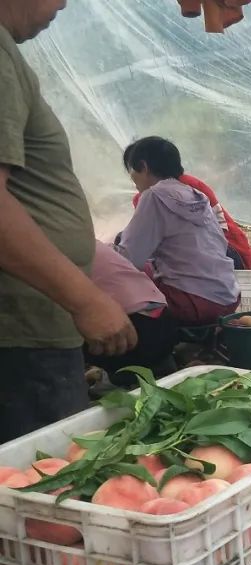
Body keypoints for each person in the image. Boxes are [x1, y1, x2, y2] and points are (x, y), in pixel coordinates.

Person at [0, 0, 137, 443]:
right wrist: (86, 301)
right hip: (23, 330)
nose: (63, 3)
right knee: (43, 486)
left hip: (30, 325)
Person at [117, 137, 240, 327]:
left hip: (191, 302)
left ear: (143, 166)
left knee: (118, 282)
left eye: (132, 169)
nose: (132, 177)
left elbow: (129, 259)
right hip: (228, 297)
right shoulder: (195, 195)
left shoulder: (153, 196)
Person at [89, 242, 178, 386]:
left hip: (134, 332)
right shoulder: (91, 243)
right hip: (165, 318)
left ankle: (118, 379)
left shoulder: (55, 252)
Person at [133, 172, 251, 270]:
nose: (132, 176)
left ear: (145, 169)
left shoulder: (187, 186)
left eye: (133, 169)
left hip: (229, 253)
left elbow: (214, 234)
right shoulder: (141, 198)